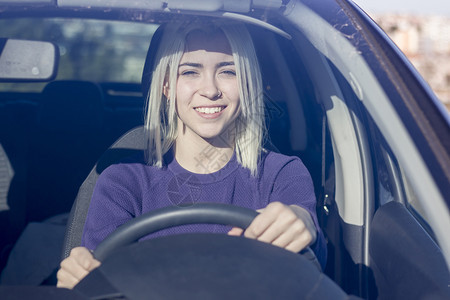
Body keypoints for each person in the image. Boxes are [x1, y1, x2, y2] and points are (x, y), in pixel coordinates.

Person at [56, 20, 327, 289]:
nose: (210, 90)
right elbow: (99, 284)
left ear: (247, 83)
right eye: (189, 72)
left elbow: (312, 261)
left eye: (228, 71)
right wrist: (82, 276)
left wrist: (302, 224)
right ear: (166, 86)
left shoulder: (281, 174)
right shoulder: (122, 182)